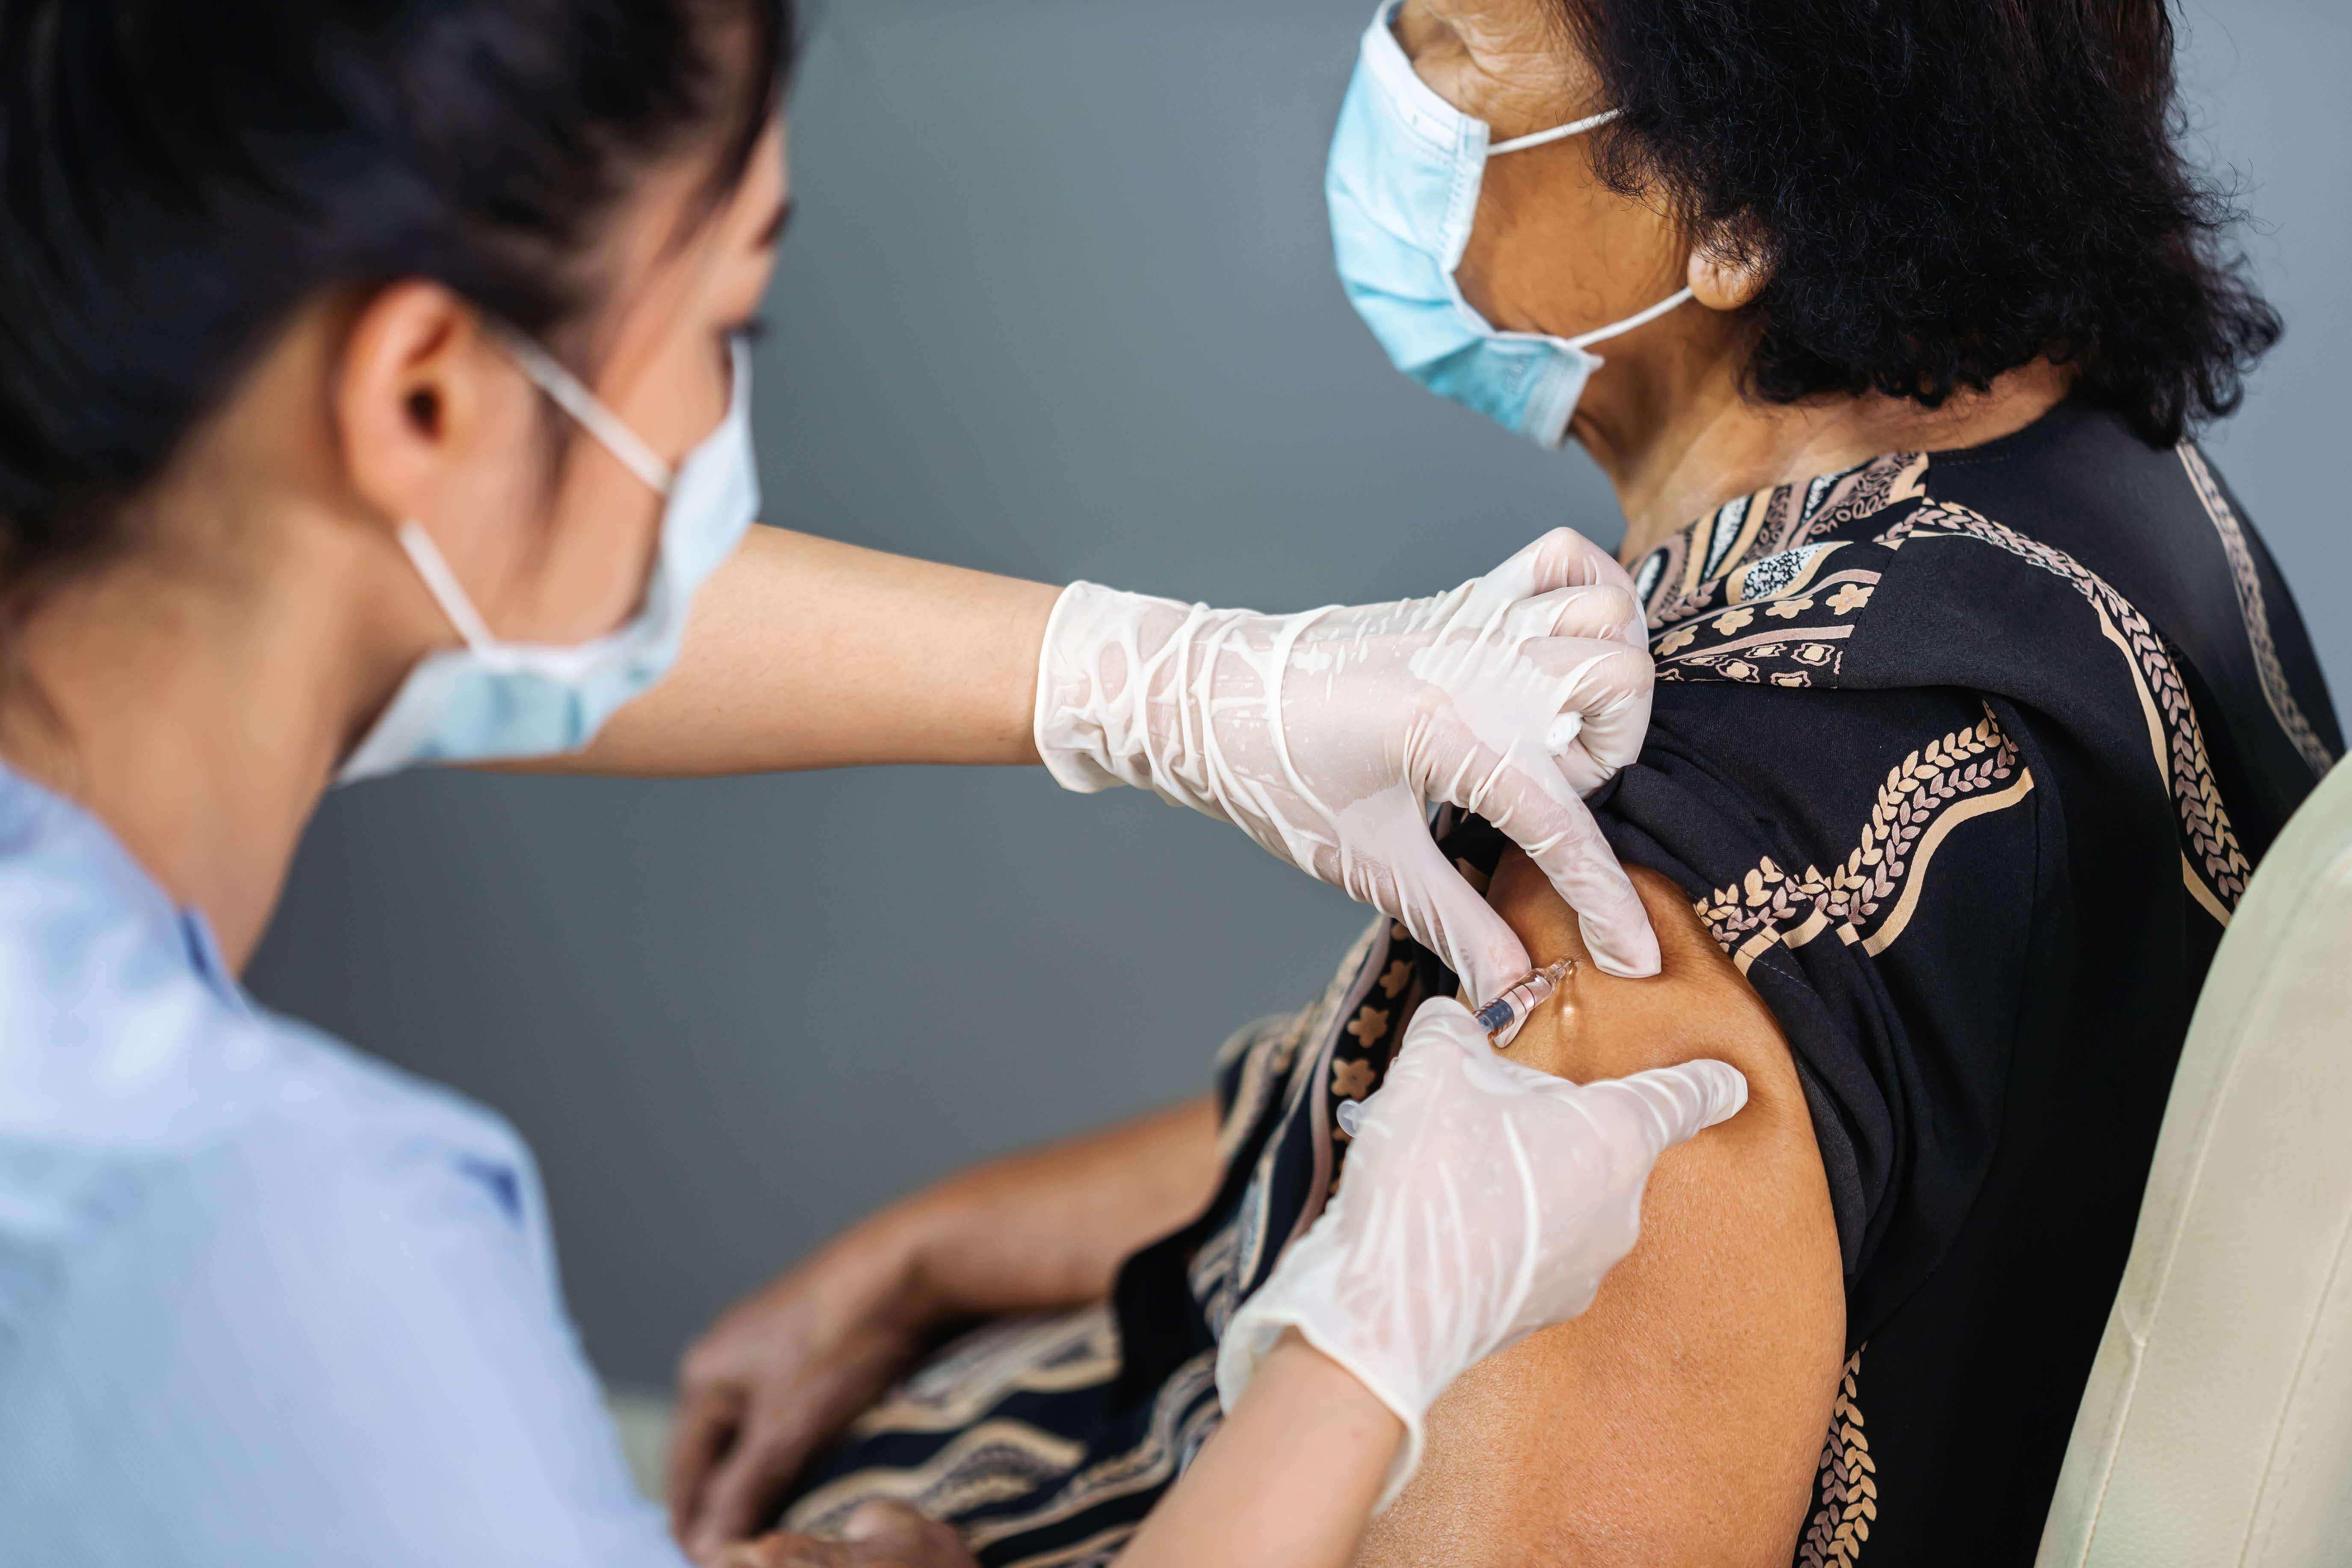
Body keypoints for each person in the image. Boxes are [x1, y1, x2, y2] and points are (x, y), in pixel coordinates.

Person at [0, 1, 1733, 1564]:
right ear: (425, 396)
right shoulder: (251, 1254)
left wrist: (1169, 684)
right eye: (725, 322)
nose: (715, 428)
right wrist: (1353, 1361)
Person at [670, 0, 2340, 1563]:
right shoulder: (2098, 496)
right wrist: (931, 1249)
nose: (1390, 75)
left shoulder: (1658, 880)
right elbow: (1407, 1149)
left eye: (1453, 40)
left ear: (1738, 206)